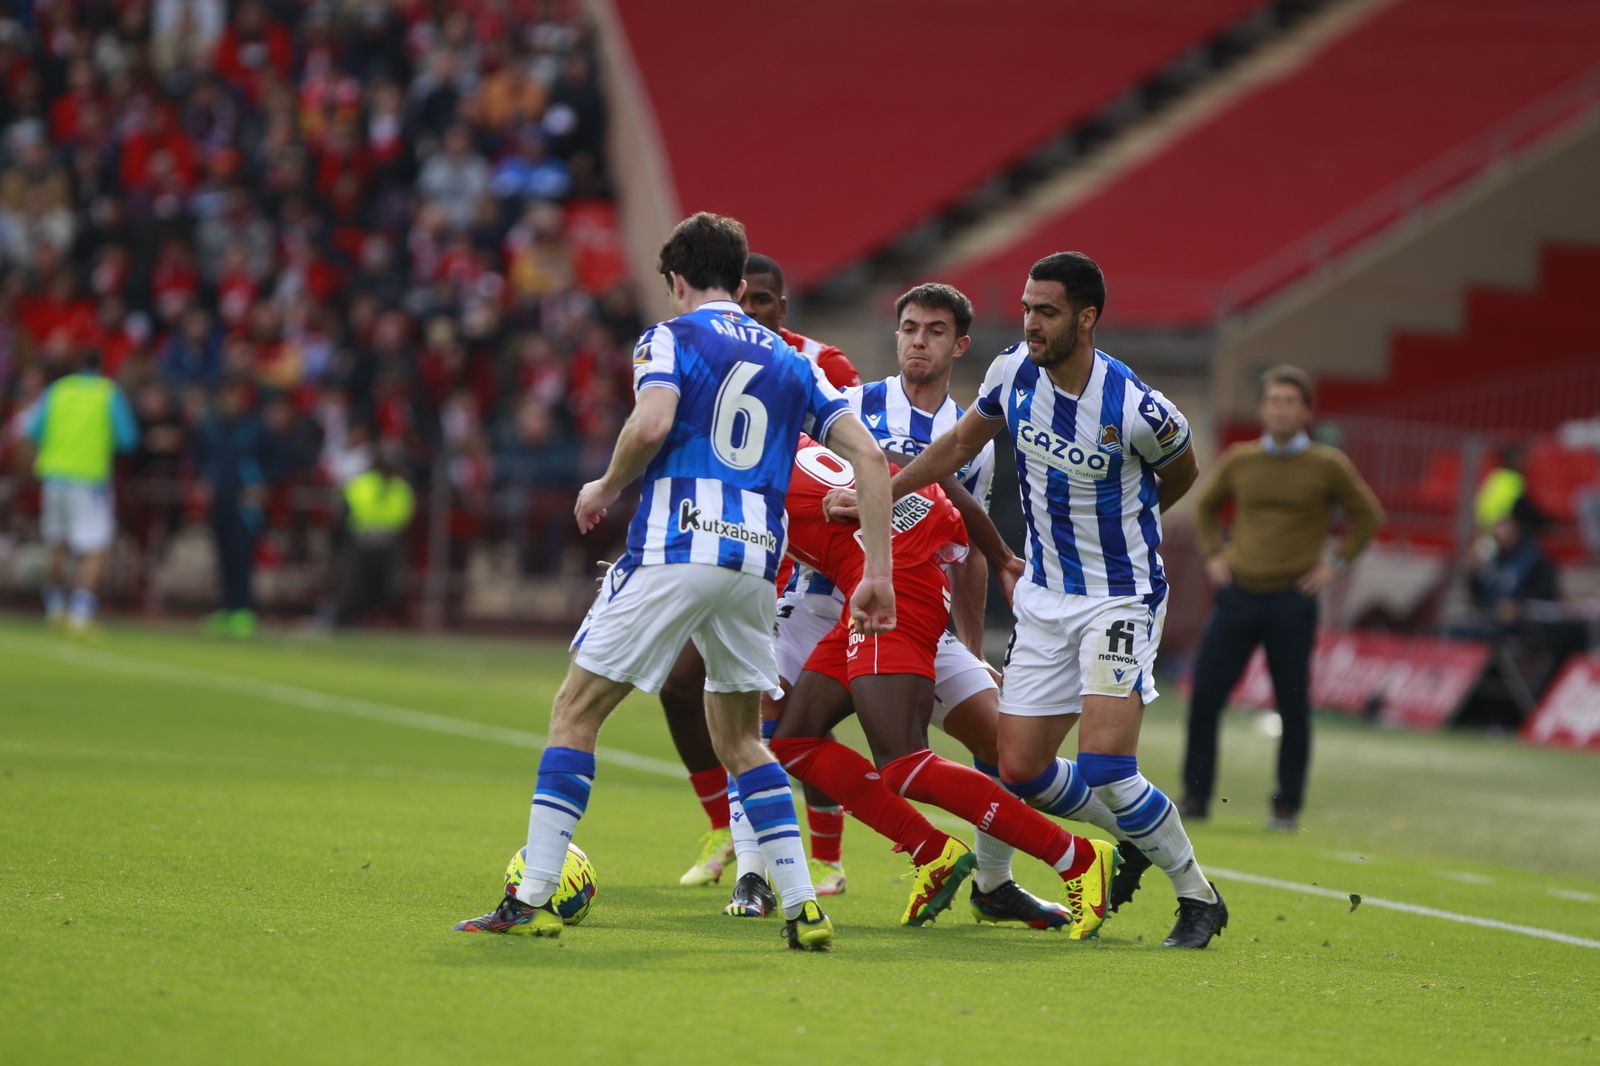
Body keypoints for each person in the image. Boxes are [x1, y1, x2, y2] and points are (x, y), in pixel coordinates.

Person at [453, 212, 896, 950]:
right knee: (742, 739)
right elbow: (873, 461)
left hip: (677, 543)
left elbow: (653, 424)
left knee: (576, 710)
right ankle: (801, 906)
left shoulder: (670, 337)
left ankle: (530, 898)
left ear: (679, 281)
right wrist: (876, 573)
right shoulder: (794, 360)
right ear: (737, 276)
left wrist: (604, 484)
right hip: (757, 563)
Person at [888, 251, 1228, 948]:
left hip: (1120, 597)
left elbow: (1185, 473)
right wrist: (881, 491)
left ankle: (1198, 896)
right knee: (1020, 768)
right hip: (1044, 597)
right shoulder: (1012, 372)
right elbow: (956, 444)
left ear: (1086, 318)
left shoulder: (1137, 409)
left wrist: (1127, 528)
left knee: (1107, 766)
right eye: (1026, 309)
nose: (1031, 323)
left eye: (1046, 312)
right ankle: (1130, 840)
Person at [737, 435, 1118, 937]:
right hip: (893, 566)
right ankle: (932, 849)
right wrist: (996, 552)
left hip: (892, 581)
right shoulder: (800, 435)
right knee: (795, 739)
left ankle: (1077, 856)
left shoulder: (737, 471)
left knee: (904, 763)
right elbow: (939, 476)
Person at [668, 251, 862, 892]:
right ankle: (726, 829)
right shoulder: (711, 351)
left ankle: (825, 858)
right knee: (683, 689)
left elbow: (848, 458)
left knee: (794, 720)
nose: (752, 311)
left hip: (802, 569)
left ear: (781, 305)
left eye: (763, 302)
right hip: (728, 548)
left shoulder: (821, 364)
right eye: (746, 301)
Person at [1182, 365, 1384, 831]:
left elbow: (1367, 516)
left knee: (1293, 704)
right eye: (1273, 400)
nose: (1281, 409)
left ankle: (1286, 804)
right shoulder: (1241, 459)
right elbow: (1206, 506)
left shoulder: (1327, 465)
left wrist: (1334, 564)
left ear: (1307, 411)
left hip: (1292, 599)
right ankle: (1196, 795)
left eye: (1290, 401)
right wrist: (1215, 554)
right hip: (1238, 594)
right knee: (1206, 695)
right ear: (1261, 408)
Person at [26, 351, 139, 630]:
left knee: (56, 542)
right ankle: (80, 612)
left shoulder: (58, 391)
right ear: (101, 367)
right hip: (89, 479)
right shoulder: (107, 392)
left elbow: (33, 429)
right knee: (95, 546)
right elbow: (128, 438)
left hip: (54, 476)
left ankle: (54, 606)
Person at [194, 377, 272, 638]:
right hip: (220, 501)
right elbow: (201, 459)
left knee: (242, 557)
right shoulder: (212, 428)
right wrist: (203, 481)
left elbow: (280, 458)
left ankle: (244, 610)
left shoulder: (255, 429)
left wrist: (263, 485)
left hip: (245, 505)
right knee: (223, 556)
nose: (230, 402)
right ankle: (227, 609)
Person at [333, 441, 415, 627]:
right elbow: (343, 512)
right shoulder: (360, 484)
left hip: (390, 542)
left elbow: (404, 516)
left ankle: (384, 619)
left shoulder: (401, 488)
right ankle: (346, 619)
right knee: (351, 582)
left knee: (391, 585)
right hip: (359, 541)